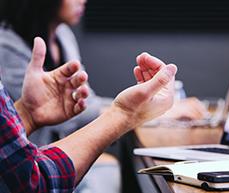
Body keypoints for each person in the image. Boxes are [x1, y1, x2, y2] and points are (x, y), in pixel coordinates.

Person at [0, 37, 177, 193]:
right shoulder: (7, 45)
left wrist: (26, 114)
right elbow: (33, 182)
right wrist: (125, 114)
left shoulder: (63, 34)